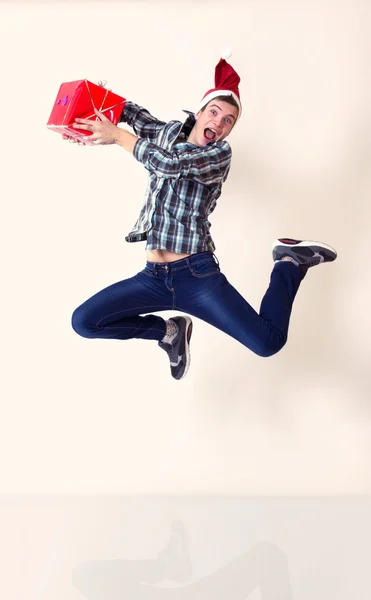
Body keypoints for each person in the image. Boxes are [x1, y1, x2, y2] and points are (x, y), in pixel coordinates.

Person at [70, 52, 337, 380]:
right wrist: (87, 114)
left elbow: (169, 165)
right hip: (153, 277)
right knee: (85, 321)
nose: (219, 123)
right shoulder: (168, 133)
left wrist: (117, 136)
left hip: (197, 278)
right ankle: (168, 332)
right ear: (199, 113)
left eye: (228, 121)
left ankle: (289, 262)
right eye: (215, 112)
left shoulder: (218, 154)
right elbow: (131, 113)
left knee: (267, 343)